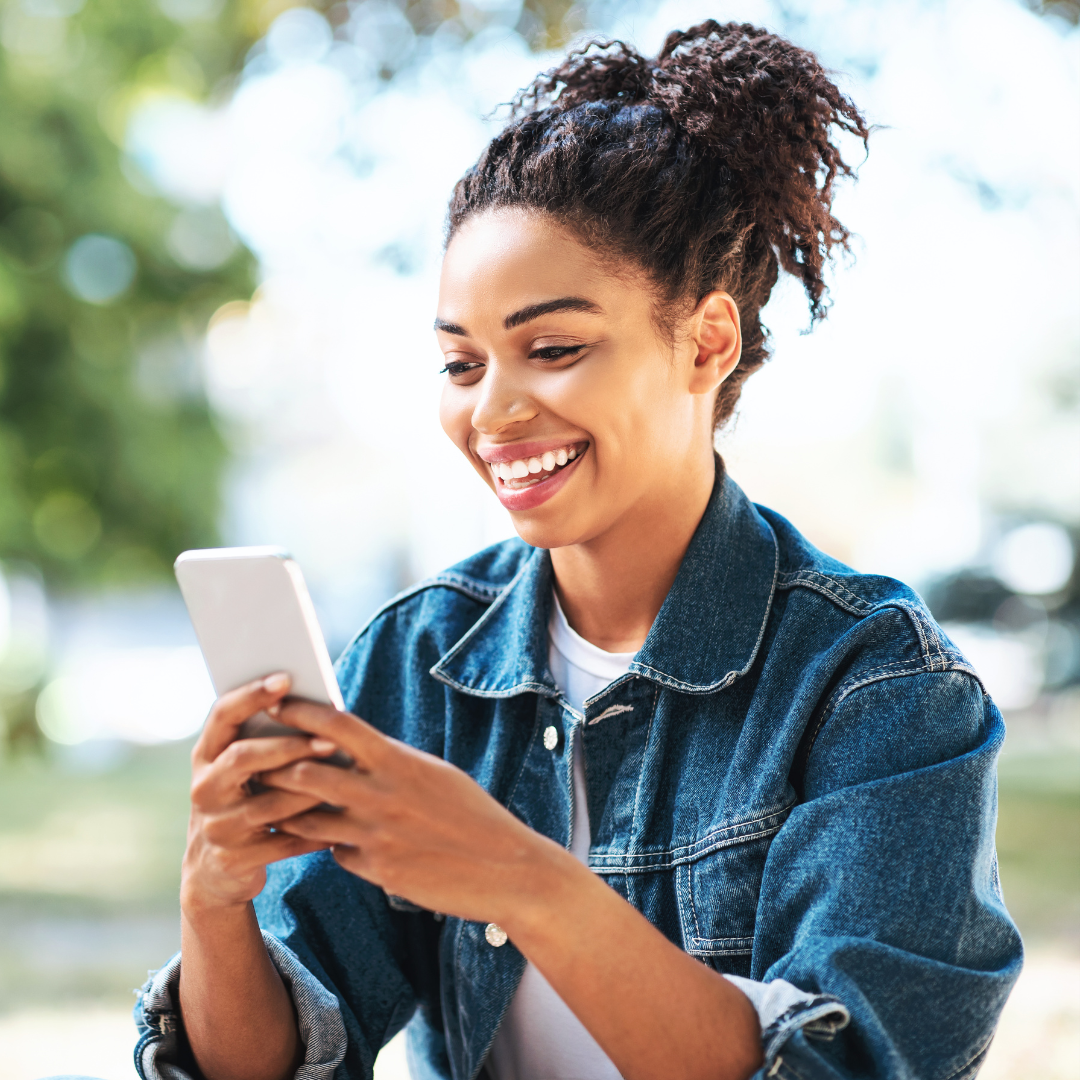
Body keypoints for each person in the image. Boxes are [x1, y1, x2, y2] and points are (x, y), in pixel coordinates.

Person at [135, 21, 1022, 1080]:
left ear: (707, 344)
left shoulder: (877, 691)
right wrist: (214, 900)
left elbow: (850, 1067)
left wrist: (522, 877)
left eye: (552, 349)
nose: (494, 413)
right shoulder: (417, 664)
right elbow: (272, 1063)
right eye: (462, 366)